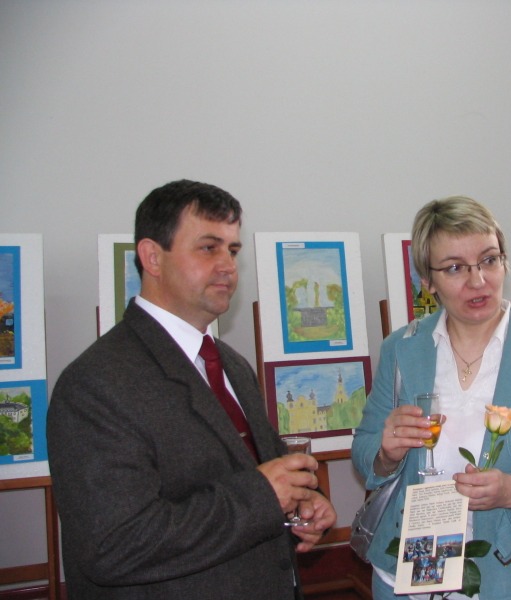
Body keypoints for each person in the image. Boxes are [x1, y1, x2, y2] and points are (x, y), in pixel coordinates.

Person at [47, 179, 336, 599]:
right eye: (208, 248)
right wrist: (264, 498)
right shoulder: (94, 385)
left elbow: (264, 466)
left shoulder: (231, 364)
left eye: (233, 250)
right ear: (152, 257)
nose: (228, 266)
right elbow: (114, 545)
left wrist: (307, 501)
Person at [352, 196, 511, 600]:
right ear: (428, 281)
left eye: (488, 260)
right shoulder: (401, 350)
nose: (478, 280)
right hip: (412, 571)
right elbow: (365, 451)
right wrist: (386, 454)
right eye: (454, 268)